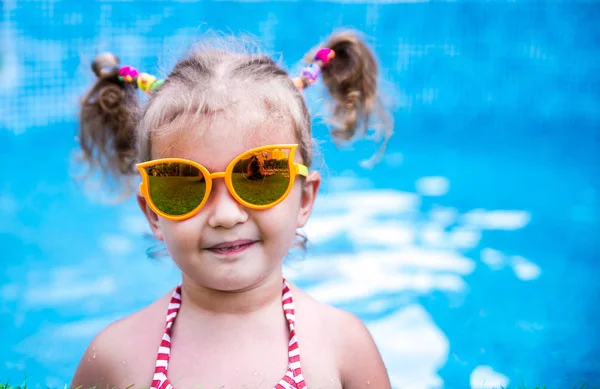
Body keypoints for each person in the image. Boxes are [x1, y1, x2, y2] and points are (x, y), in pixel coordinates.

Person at [71, 30, 393, 389]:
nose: (226, 216)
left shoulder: (343, 349)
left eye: (258, 177)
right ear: (152, 213)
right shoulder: (117, 358)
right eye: (182, 183)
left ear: (304, 199)